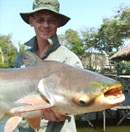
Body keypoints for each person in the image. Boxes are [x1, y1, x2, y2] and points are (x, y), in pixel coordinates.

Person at [13, 0, 83, 132]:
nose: (46, 25)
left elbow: (78, 103)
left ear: (58, 24)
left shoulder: (69, 60)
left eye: (51, 20)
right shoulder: (20, 58)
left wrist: (62, 111)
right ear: (31, 22)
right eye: (40, 20)